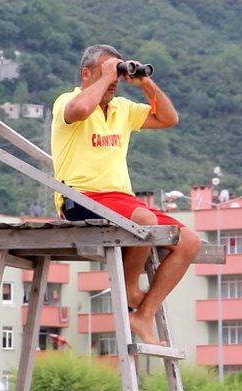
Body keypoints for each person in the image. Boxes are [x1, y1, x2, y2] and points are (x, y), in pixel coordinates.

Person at [51, 44, 201, 345]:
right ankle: (131, 288)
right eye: (108, 71)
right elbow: (79, 111)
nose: (115, 79)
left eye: (117, 73)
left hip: (121, 200)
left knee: (189, 243)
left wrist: (145, 82)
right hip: (81, 197)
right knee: (144, 218)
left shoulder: (122, 109)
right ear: (86, 73)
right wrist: (105, 77)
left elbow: (169, 118)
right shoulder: (67, 101)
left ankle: (143, 314)